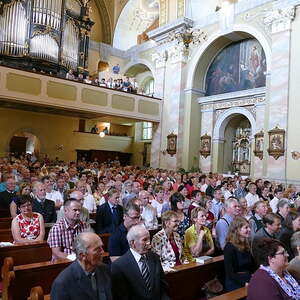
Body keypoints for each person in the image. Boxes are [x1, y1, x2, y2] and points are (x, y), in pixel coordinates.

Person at [111, 224, 170, 300]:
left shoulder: (154, 257)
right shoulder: (119, 266)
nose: (149, 243)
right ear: (132, 243)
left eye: (149, 239)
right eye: (145, 240)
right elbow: (122, 297)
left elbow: (163, 288)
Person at [51, 232, 113, 300]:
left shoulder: (105, 270)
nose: (102, 252)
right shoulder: (63, 283)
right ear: (82, 255)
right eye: (98, 249)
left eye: (102, 247)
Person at [223, 217, 255, 291]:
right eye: (246, 228)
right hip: (235, 283)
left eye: (249, 227)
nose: (249, 230)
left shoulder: (246, 244)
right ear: (237, 230)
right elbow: (230, 274)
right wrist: (244, 283)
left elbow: (252, 265)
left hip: (248, 278)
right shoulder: (229, 247)